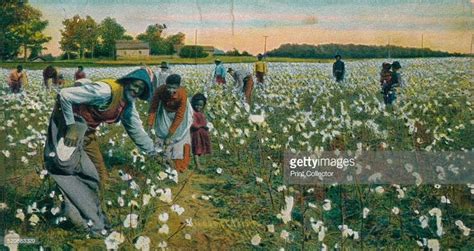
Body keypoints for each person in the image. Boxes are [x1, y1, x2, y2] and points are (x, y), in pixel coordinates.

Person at [43, 67, 158, 236]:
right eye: (135, 85)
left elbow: (137, 131)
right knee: (67, 170)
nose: (136, 90)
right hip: (66, 128)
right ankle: (77, 218)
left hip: (86, 133)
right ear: (128, 81)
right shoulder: (105, 91)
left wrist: (154, 153)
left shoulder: (127, 105)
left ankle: (95, 219)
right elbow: (65, 95)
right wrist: (71, 127)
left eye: (141, 89)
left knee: (99, 175)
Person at [148, 74, 193, 173]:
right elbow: (153, 108)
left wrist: (169, 135)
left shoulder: (182, 94)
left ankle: (176, 162)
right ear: (165, 85)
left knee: (178, 136)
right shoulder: (160, 90)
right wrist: (149, 126)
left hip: (179, 114)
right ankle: (161, 159)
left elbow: (179, 116)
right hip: (164, 110)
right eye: (169, 87)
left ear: (178, 87)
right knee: (160, 133)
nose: (171, 90)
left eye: (174, 88)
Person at [190, 93, 211, 170]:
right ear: (193, 104)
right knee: (196, 150)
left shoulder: (201, 113)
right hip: (196, 134)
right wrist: (202, 126)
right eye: (196, 105)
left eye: (200, 105)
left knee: (200, 149)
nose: (198, 107)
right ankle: (197, 165)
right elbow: (193, 124)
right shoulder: (193, 114)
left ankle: (200, 164)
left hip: (202, 134)